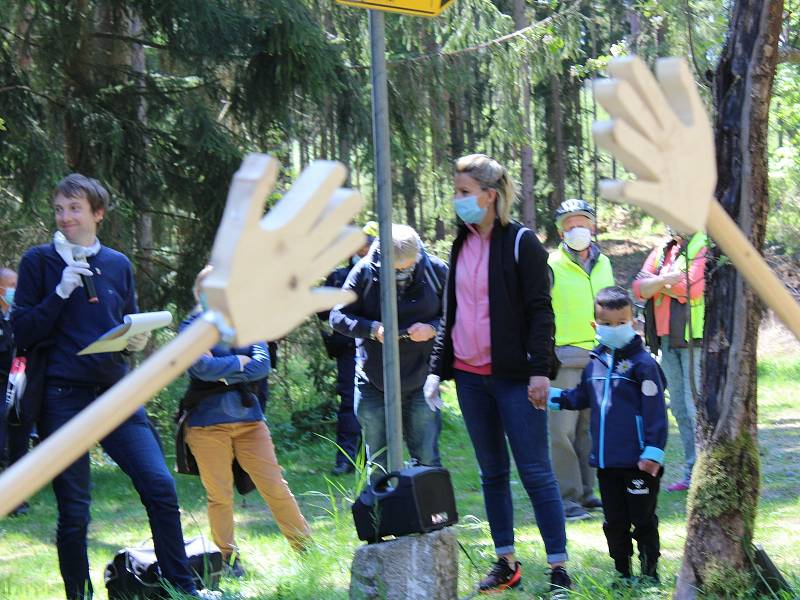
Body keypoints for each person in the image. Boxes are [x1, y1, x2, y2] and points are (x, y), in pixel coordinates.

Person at [11, 174, 218, 599]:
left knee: (159, 487)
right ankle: (79, 594)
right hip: (61, 399)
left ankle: (181, 588)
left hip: (116, 393)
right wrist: (61, 290)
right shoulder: (38, 262)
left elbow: (127, 318)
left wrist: (135, 339)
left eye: (74, 209)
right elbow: (23, 331)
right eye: (59, 209)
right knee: (74, 511)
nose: (65, 217)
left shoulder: (118, 264)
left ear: (98, 214)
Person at [425, 154, 571, 594]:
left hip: (514, 379)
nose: (457, 200)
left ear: (490, 196)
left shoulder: (521, 242)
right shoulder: (460, 242)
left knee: (536, 472)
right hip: (471, 379)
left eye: (464, 192)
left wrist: (540, 371)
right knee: (492, 473)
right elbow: (450, 311)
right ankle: (506, 561)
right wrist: (437, 368)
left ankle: (559, 567)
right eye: (456, 191)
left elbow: (541, 311)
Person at [180, 265, 311, 578]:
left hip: (250, 421)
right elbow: (199, 369)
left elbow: (261, 368)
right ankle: (227, 561)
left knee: (275, 487)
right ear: (200, 295)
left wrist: (222, 366)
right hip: (206, 424)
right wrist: (239, 362)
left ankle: (305, 548)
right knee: (220, 495)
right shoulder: (191, 326)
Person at [549, 286, 667, 584]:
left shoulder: (644, 365)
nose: (614, 329)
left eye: (621, 323)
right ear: (595, 325)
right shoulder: (596, 363)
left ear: (633, 322)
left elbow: (655, 411)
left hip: (639, 463)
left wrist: (653, 452)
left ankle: (650, 572)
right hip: (606, 462)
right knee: (614, 521)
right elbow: (580, 397)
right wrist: (550, 397)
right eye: (607, 324)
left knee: (642, 519)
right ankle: (623, 572)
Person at [329, 224, 447, 478]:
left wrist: (432, 328)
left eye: (407, 268)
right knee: (378, 465)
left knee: (426, 458)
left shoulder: (436, 271)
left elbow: (459, 315)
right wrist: (372, 329)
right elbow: (337, 316)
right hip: (373, 380)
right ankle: (383, 516)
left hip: (423, 380)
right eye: (395, 270)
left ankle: (428, 515)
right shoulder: (363, 273)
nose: (402, 274)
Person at [547, 199, 615, 521]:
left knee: (589, 429)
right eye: (570, 224)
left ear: (593, 226)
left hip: (599, 358)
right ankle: (567, 499)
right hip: (562, 358)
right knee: (561, 432)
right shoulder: (550, 265)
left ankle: (588, 494)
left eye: (583, 223)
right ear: (561, 230)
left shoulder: (605, 264)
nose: (577, 229)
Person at [633, 229, 708, 492]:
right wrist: (669, 281)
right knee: (679, 408)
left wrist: (658, 284)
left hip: (692, 340)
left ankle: (704, 473)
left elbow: (693, 288)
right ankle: (692, 472)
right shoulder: (665, 249)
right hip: (665, 339)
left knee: (693, 408)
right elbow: (639, 288)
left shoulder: (703, 244)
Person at [316, 222, 377, 475]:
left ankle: (372, 457)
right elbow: (322, 312)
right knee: (349, 403)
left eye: (366, 242)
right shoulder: (339, 276)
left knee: (375, 402)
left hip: (377, 347)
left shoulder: (382, 274)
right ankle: (346, 458)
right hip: (348, 350)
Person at [0, 266, 34, 517]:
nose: (15, 290)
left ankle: (17, 497)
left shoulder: (19, 316)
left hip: (18, 385)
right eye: (11, 286)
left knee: (19, 439)